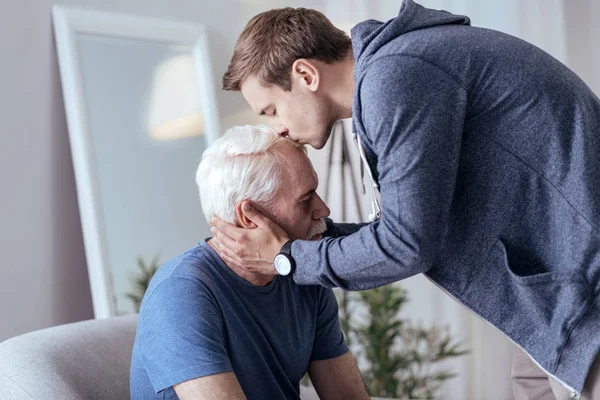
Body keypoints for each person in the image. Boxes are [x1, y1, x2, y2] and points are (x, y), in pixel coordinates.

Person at [211, 1, 600, 399]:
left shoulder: (394, 77)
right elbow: (409, 224)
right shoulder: (401, 66)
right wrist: (314, 236)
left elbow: (407, 244)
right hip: (554, 297)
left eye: (272, 109)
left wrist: (288, 258)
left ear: (306, 73)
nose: (280, 129)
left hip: (584, 291)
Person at [129, 125, 369, 400]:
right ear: (249, 217)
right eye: (305, 201)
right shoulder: (180, 292)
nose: (323, 210)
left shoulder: (298, 267)